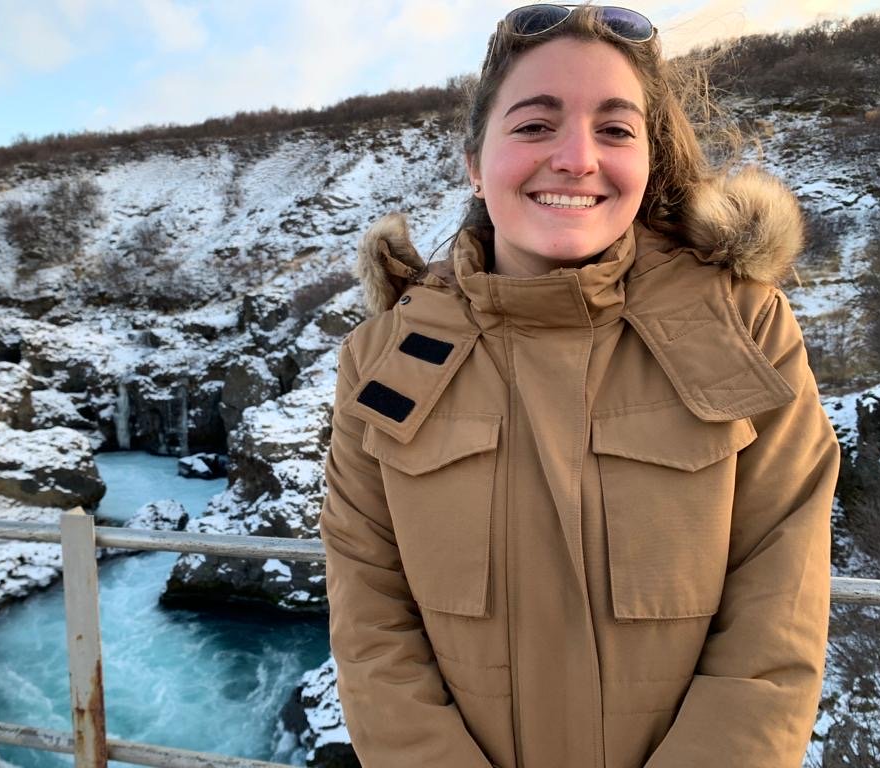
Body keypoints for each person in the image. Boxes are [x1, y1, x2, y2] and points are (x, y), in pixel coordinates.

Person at [319, 4, 840, 767]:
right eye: (535, 126)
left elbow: (777, 613)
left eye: (615, 129)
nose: (576, 158)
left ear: (649, 160)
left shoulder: (746, 328)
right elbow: (370, 618)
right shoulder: (381, 356)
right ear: (474, 159)